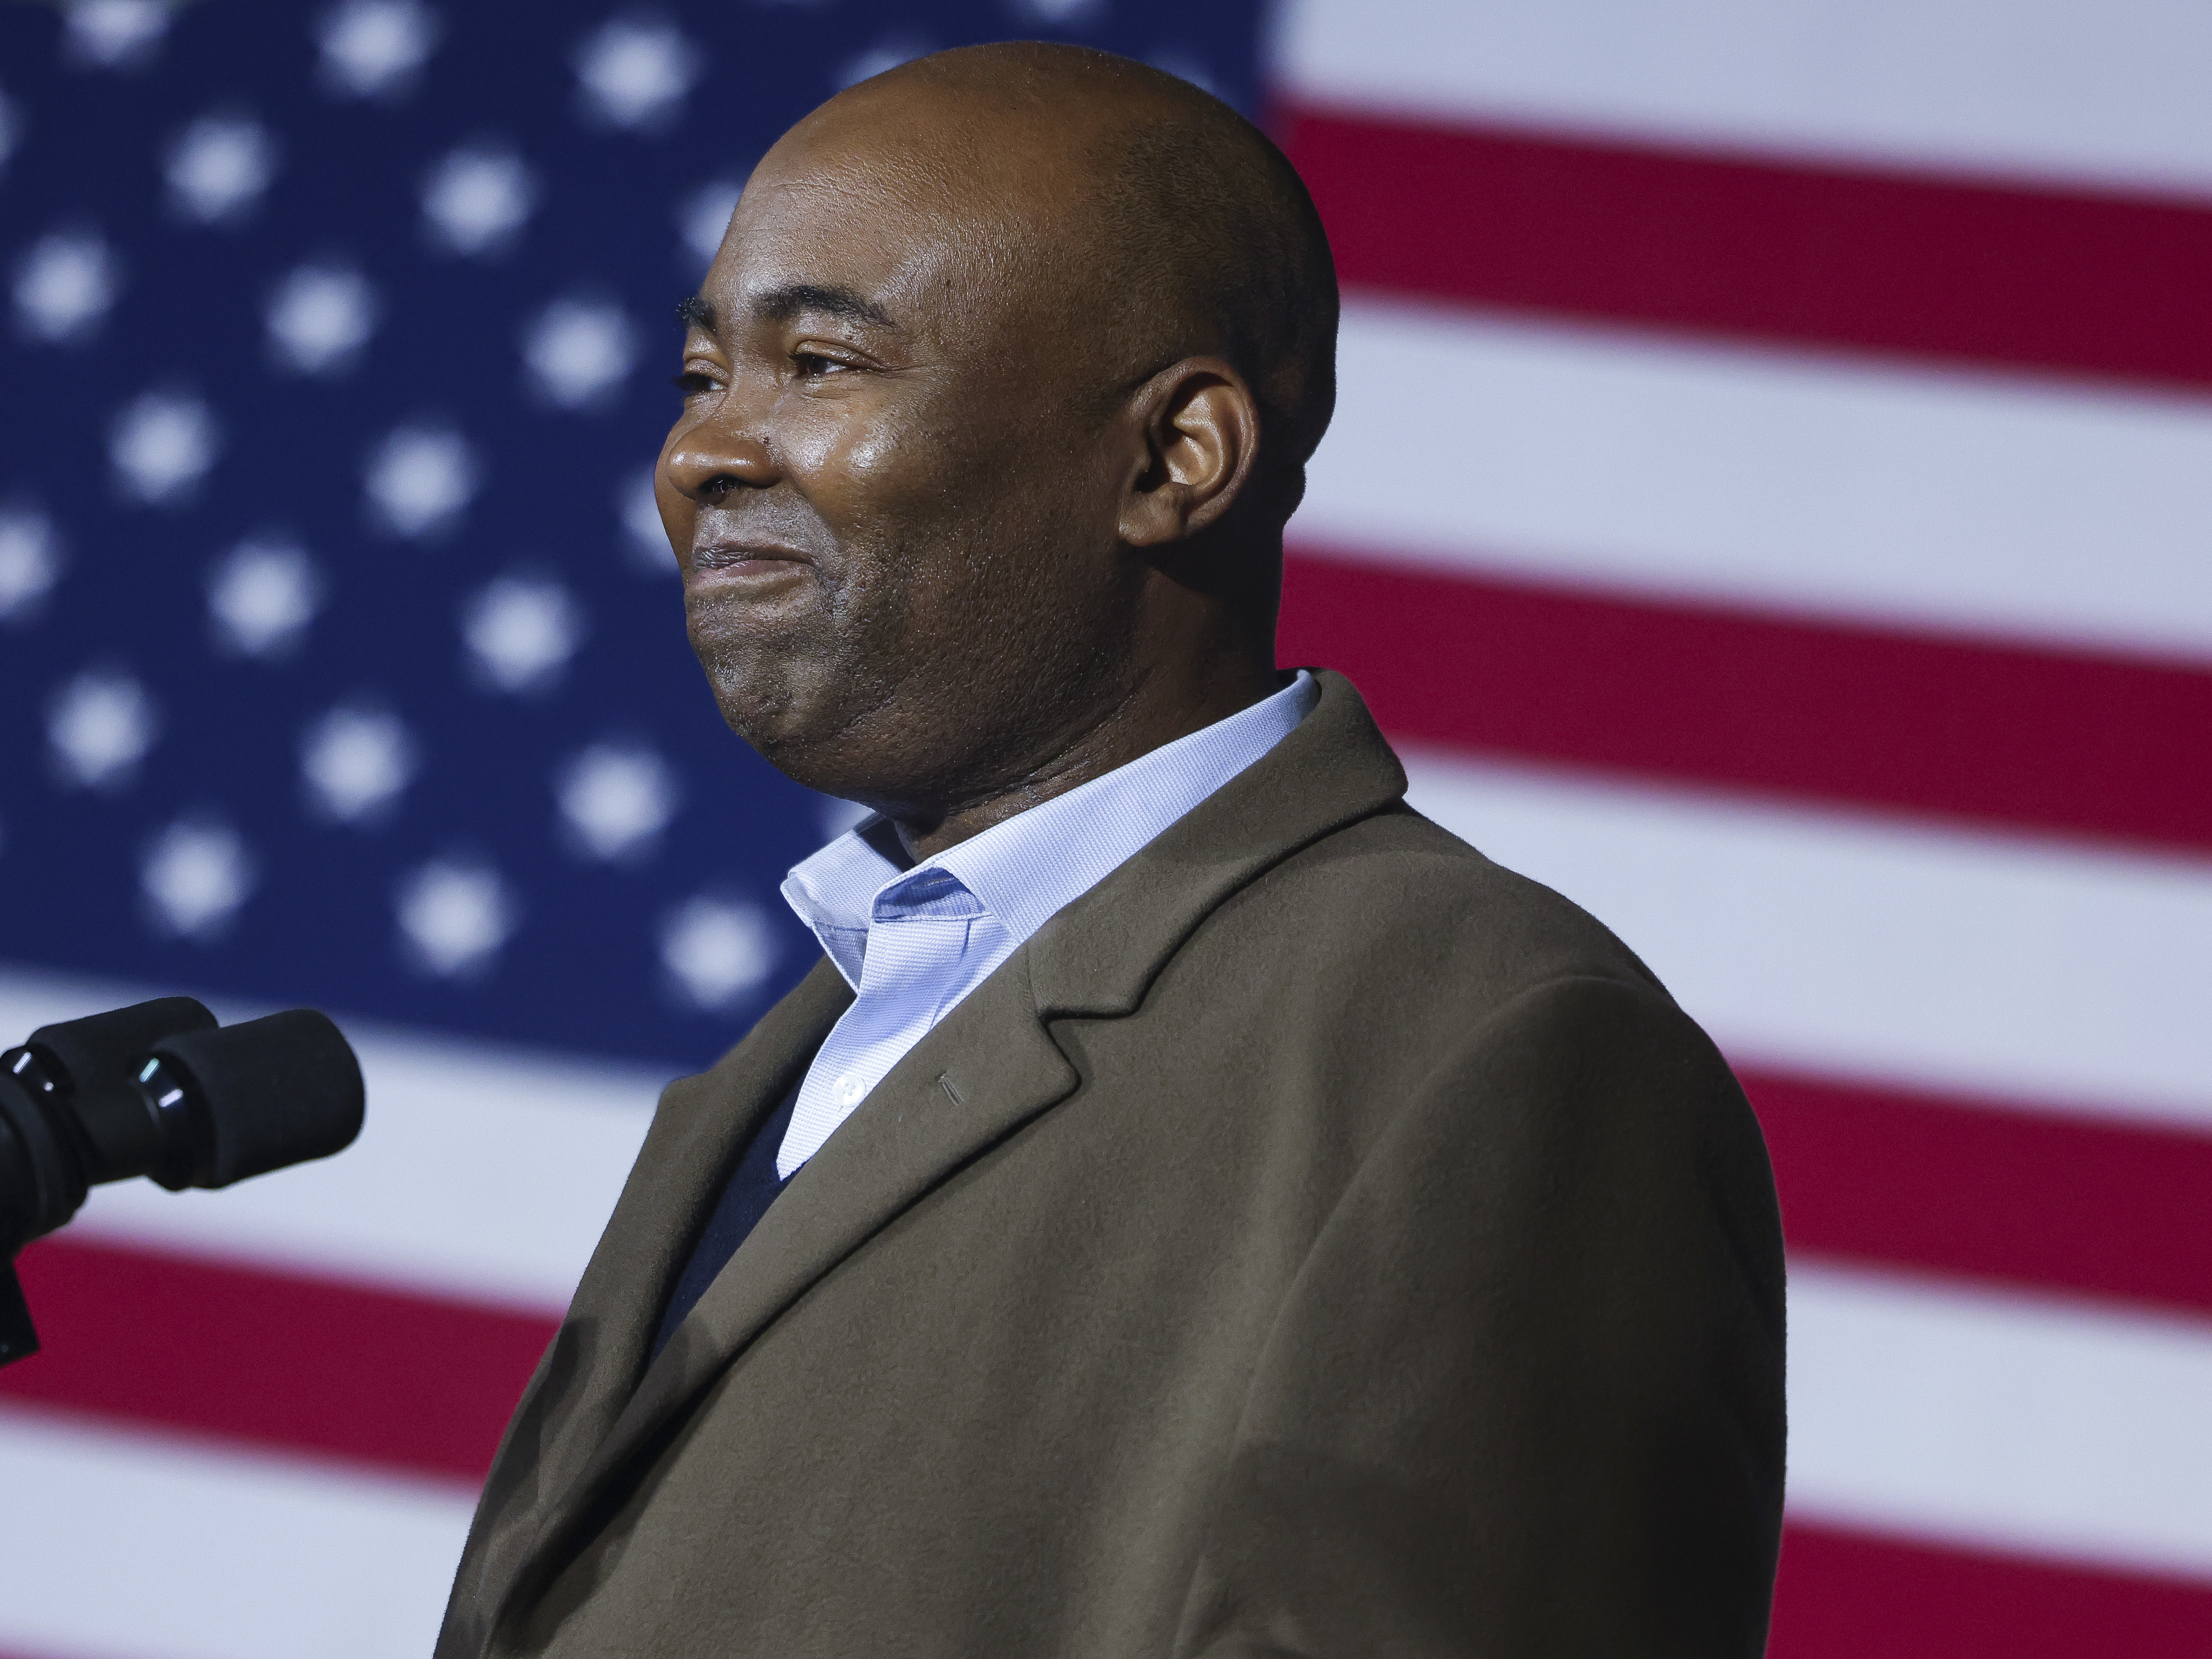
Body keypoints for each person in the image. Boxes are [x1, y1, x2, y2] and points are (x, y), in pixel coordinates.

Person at [436, 41, 1784, 1659]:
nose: (705, 454)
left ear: (1172, 460)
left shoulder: (1494, 1050)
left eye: (821, 365)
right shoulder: (807, 1045)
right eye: (704, 375)